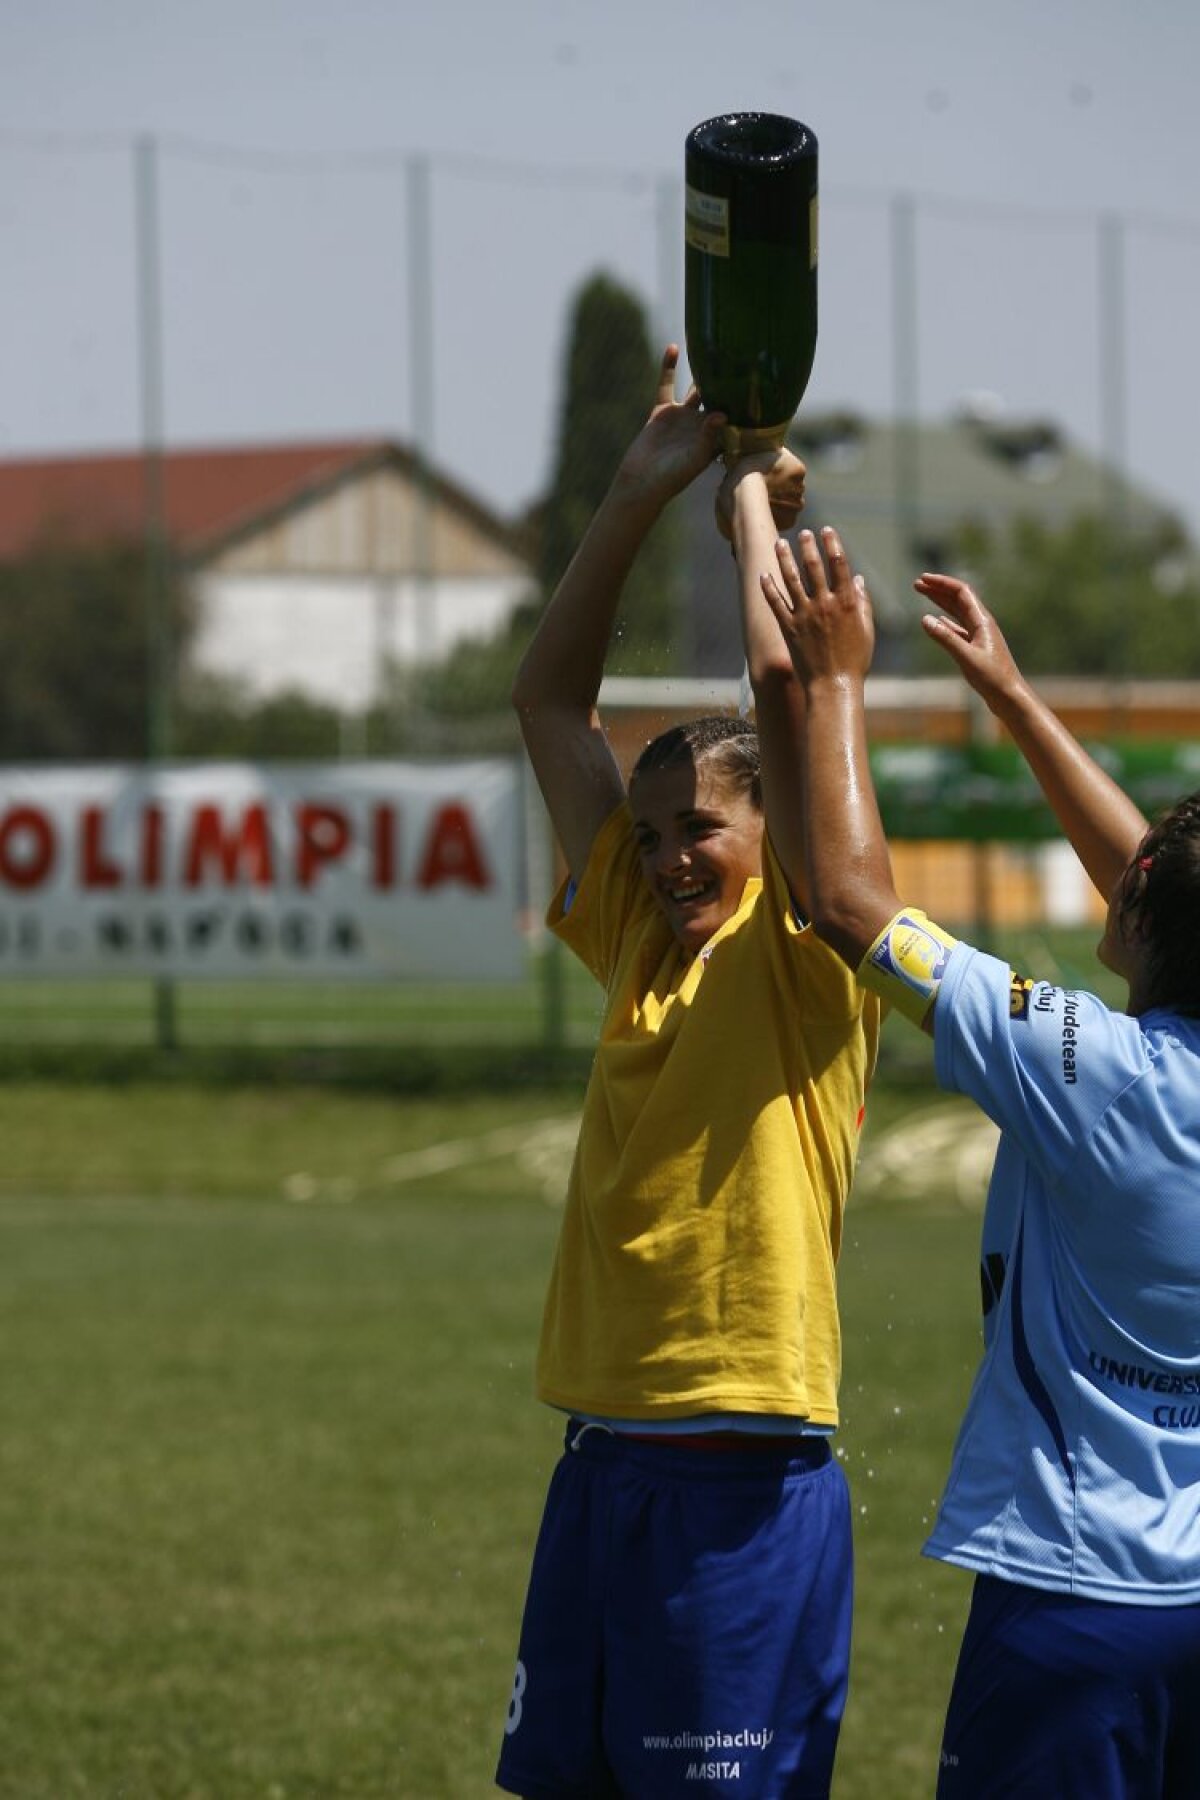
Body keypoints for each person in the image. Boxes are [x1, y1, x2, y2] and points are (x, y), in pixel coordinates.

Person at [494, 351, 885, 1800]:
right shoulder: (637, 948)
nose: (663, 861)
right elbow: (547, 701)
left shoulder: (807, 947)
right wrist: (634, 493)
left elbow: (788, 697)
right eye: (647, 835)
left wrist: (750, 519)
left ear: (772, 838)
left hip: (742, 1478)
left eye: (697, 834)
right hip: (601, 1467)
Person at [758, 526, 1200, 1799]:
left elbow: (847, 901)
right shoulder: (1119, 1046)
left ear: (1148, 911)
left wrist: (840, 678)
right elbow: (1159, 892)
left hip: (1076, 1605)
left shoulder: (1092, 1070)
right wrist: (1010, 698)